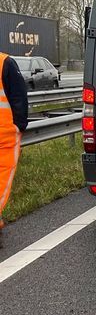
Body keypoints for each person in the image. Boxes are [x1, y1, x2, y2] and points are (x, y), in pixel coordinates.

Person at [0, 52, 28, 246]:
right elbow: (19, 96)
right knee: (2, 180)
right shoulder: (5, 62)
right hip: (4, 135)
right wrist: (20, 125)